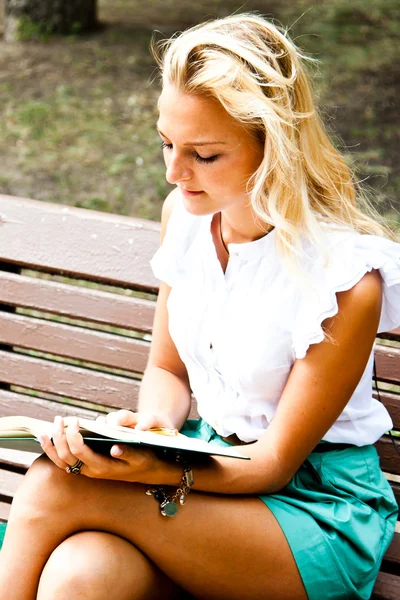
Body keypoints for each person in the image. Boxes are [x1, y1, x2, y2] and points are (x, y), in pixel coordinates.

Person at [0, 12, 399, 600]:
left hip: (311, 515)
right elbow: (168, 370)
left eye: (204, 155)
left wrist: (159, 470)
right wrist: (153, 431)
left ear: (274, 146)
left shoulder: (342, 279)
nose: (173, 172)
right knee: (82, 573)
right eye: (166, 143)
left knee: (56, 485)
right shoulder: (185, 222)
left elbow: (272, 465)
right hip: (204, 478)